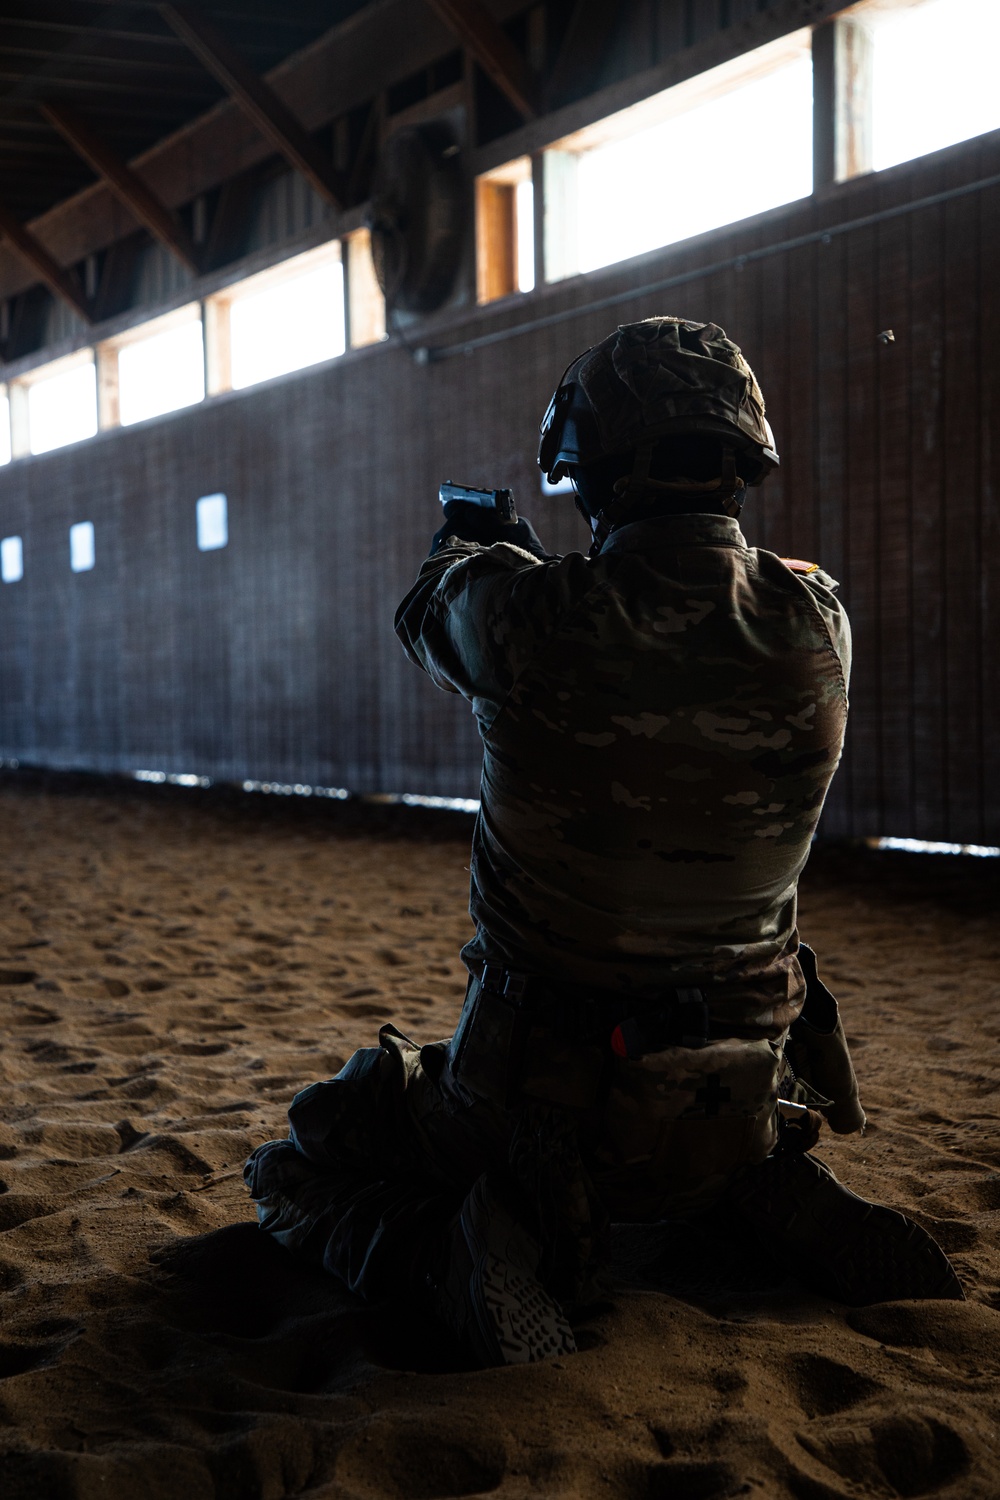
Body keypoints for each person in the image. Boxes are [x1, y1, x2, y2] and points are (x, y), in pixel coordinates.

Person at [245, 317, 961, 1367]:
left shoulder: (531, 622)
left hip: (544, 1096)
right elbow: (666, 630)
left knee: (308, 1155)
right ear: (741, 461)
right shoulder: (817, 622)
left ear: (589, 474)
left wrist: (479, 550)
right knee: (700, 1138)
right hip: (741, 1081)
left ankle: (454, 1257)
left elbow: (433, 612)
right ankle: (747, 1190)